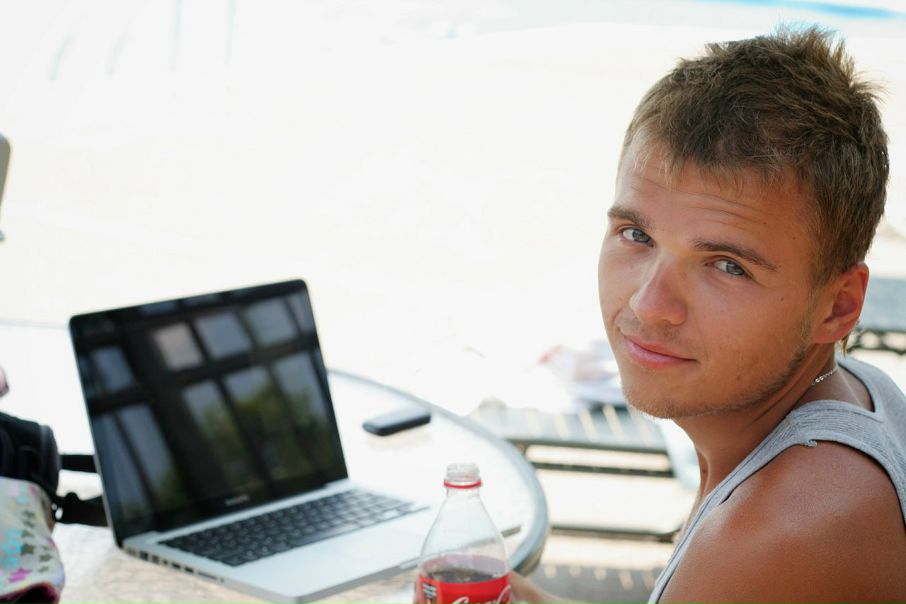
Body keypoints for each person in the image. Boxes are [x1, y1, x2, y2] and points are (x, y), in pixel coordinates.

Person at [511, 25, 906, 603]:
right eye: (637, 234)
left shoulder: (777, 532)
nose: (649, 305)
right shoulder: (860, 391)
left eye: (727, 266)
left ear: (838, 306)